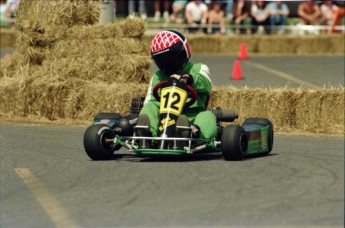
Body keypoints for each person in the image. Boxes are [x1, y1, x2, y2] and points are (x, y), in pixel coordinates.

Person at [136, 30, 217, 143]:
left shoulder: (199, 69)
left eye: (170, 59)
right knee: (149, 107)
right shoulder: (158, 76)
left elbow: (206, 83)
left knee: (208, 116)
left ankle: (192, 132)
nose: (167, 64)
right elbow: (150, 101)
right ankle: (147, 132)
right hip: (163, 119)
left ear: (183, 53)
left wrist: (189, 79)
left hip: (191, 117)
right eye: (162, 60)